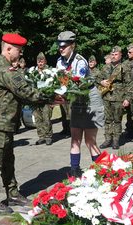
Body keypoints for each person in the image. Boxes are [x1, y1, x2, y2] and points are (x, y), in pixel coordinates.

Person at [0, 33, 51, 214]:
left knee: (7, 161)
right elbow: (24, 91)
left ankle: (12, 193)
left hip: (4, 123)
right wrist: (49, 96)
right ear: (8, 48)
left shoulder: (5, 67)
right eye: (19, 50)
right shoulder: (4, 70)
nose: (20, 53)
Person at [56, 31, 104, 177]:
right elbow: (62, 83)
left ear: (72, 45)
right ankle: (74, 171)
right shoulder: (59, 62)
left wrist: (62, 93)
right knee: (75, 138)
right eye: (59, 46)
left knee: (90, 141)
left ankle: (101, 172)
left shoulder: (80, 61)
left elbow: (78, 85)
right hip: (76, 99)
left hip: (89, 99)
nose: (61, 48)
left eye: (64, 46)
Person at [99, 46, 125, 150]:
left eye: (116, 54)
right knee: (107, 119)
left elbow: (129, 84)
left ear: (120, 55)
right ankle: (107, 139)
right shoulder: (105, 67)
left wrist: (127, 98)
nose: (114, 56)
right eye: (112, 55)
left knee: (117, 119)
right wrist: (101, 82)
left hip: (119, 97)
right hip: (106, 97)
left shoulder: (124, 68)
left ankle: (116, 140)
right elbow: (98, 78)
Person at [31, 52, 53, 145]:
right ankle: (41, 136)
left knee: (46, 117)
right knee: (37, 118)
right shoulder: (33, 71)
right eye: (38, 61)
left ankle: (48, 136)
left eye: (42, 61)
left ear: (45, 61)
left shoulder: (49, 71)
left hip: (46, 98)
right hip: (36, 99)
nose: (40, 63)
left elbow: (53, 84)